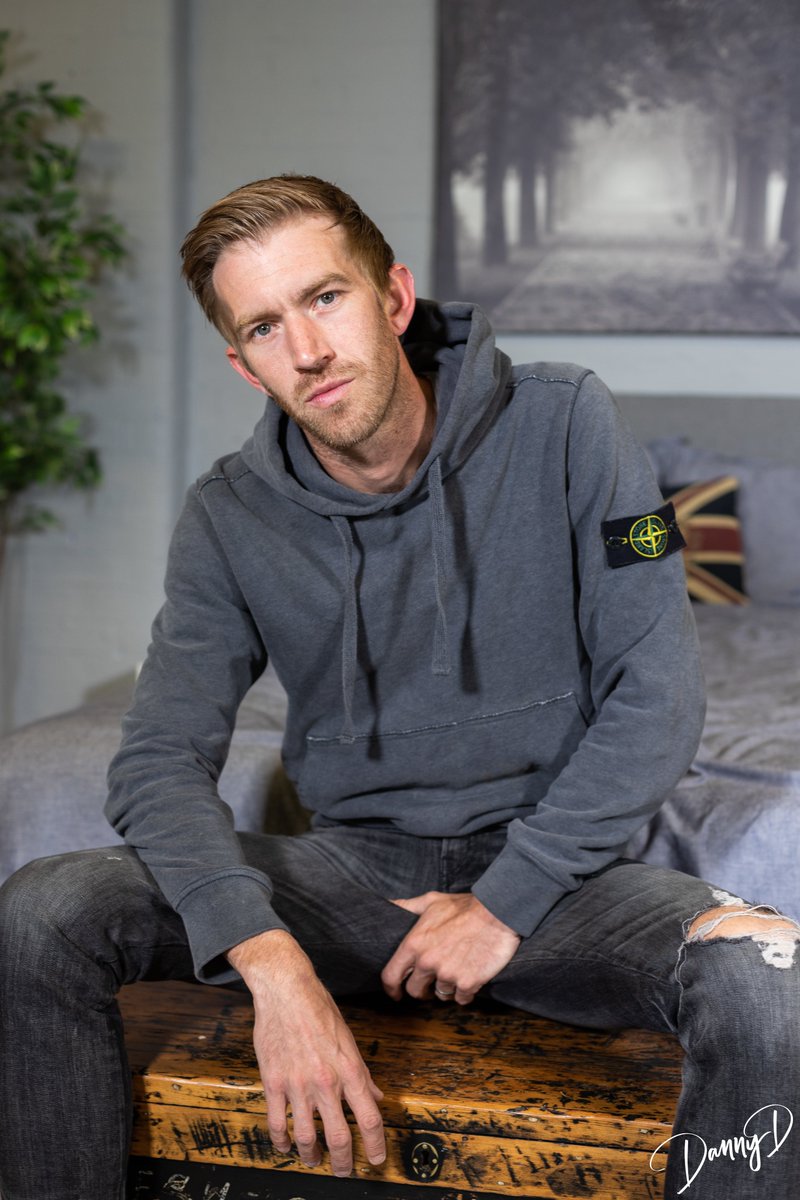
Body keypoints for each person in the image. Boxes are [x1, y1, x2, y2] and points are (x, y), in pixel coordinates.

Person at [1, 175, 798, 1200]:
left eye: (325, 297)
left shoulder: (567, 421)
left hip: (564, 885)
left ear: (394, 297)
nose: (307, 349)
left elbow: (659, 694)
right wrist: (268, 959)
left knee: (770, 984)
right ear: (243, 364)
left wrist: (503, 903)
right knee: (40, 911)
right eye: (264, 326)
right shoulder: (228, 516)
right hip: (353, 880)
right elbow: (157, 756)